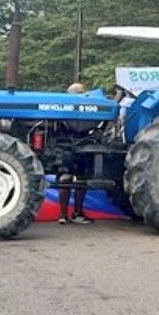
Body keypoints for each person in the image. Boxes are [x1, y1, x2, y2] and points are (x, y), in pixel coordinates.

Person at [57, 82, 93, 225]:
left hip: (67, 147)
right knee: (75, 180)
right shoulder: (81, 111)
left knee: (69, 180)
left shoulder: (62, 109)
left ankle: (65, 215)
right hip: (75, 147)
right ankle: (74, 213)